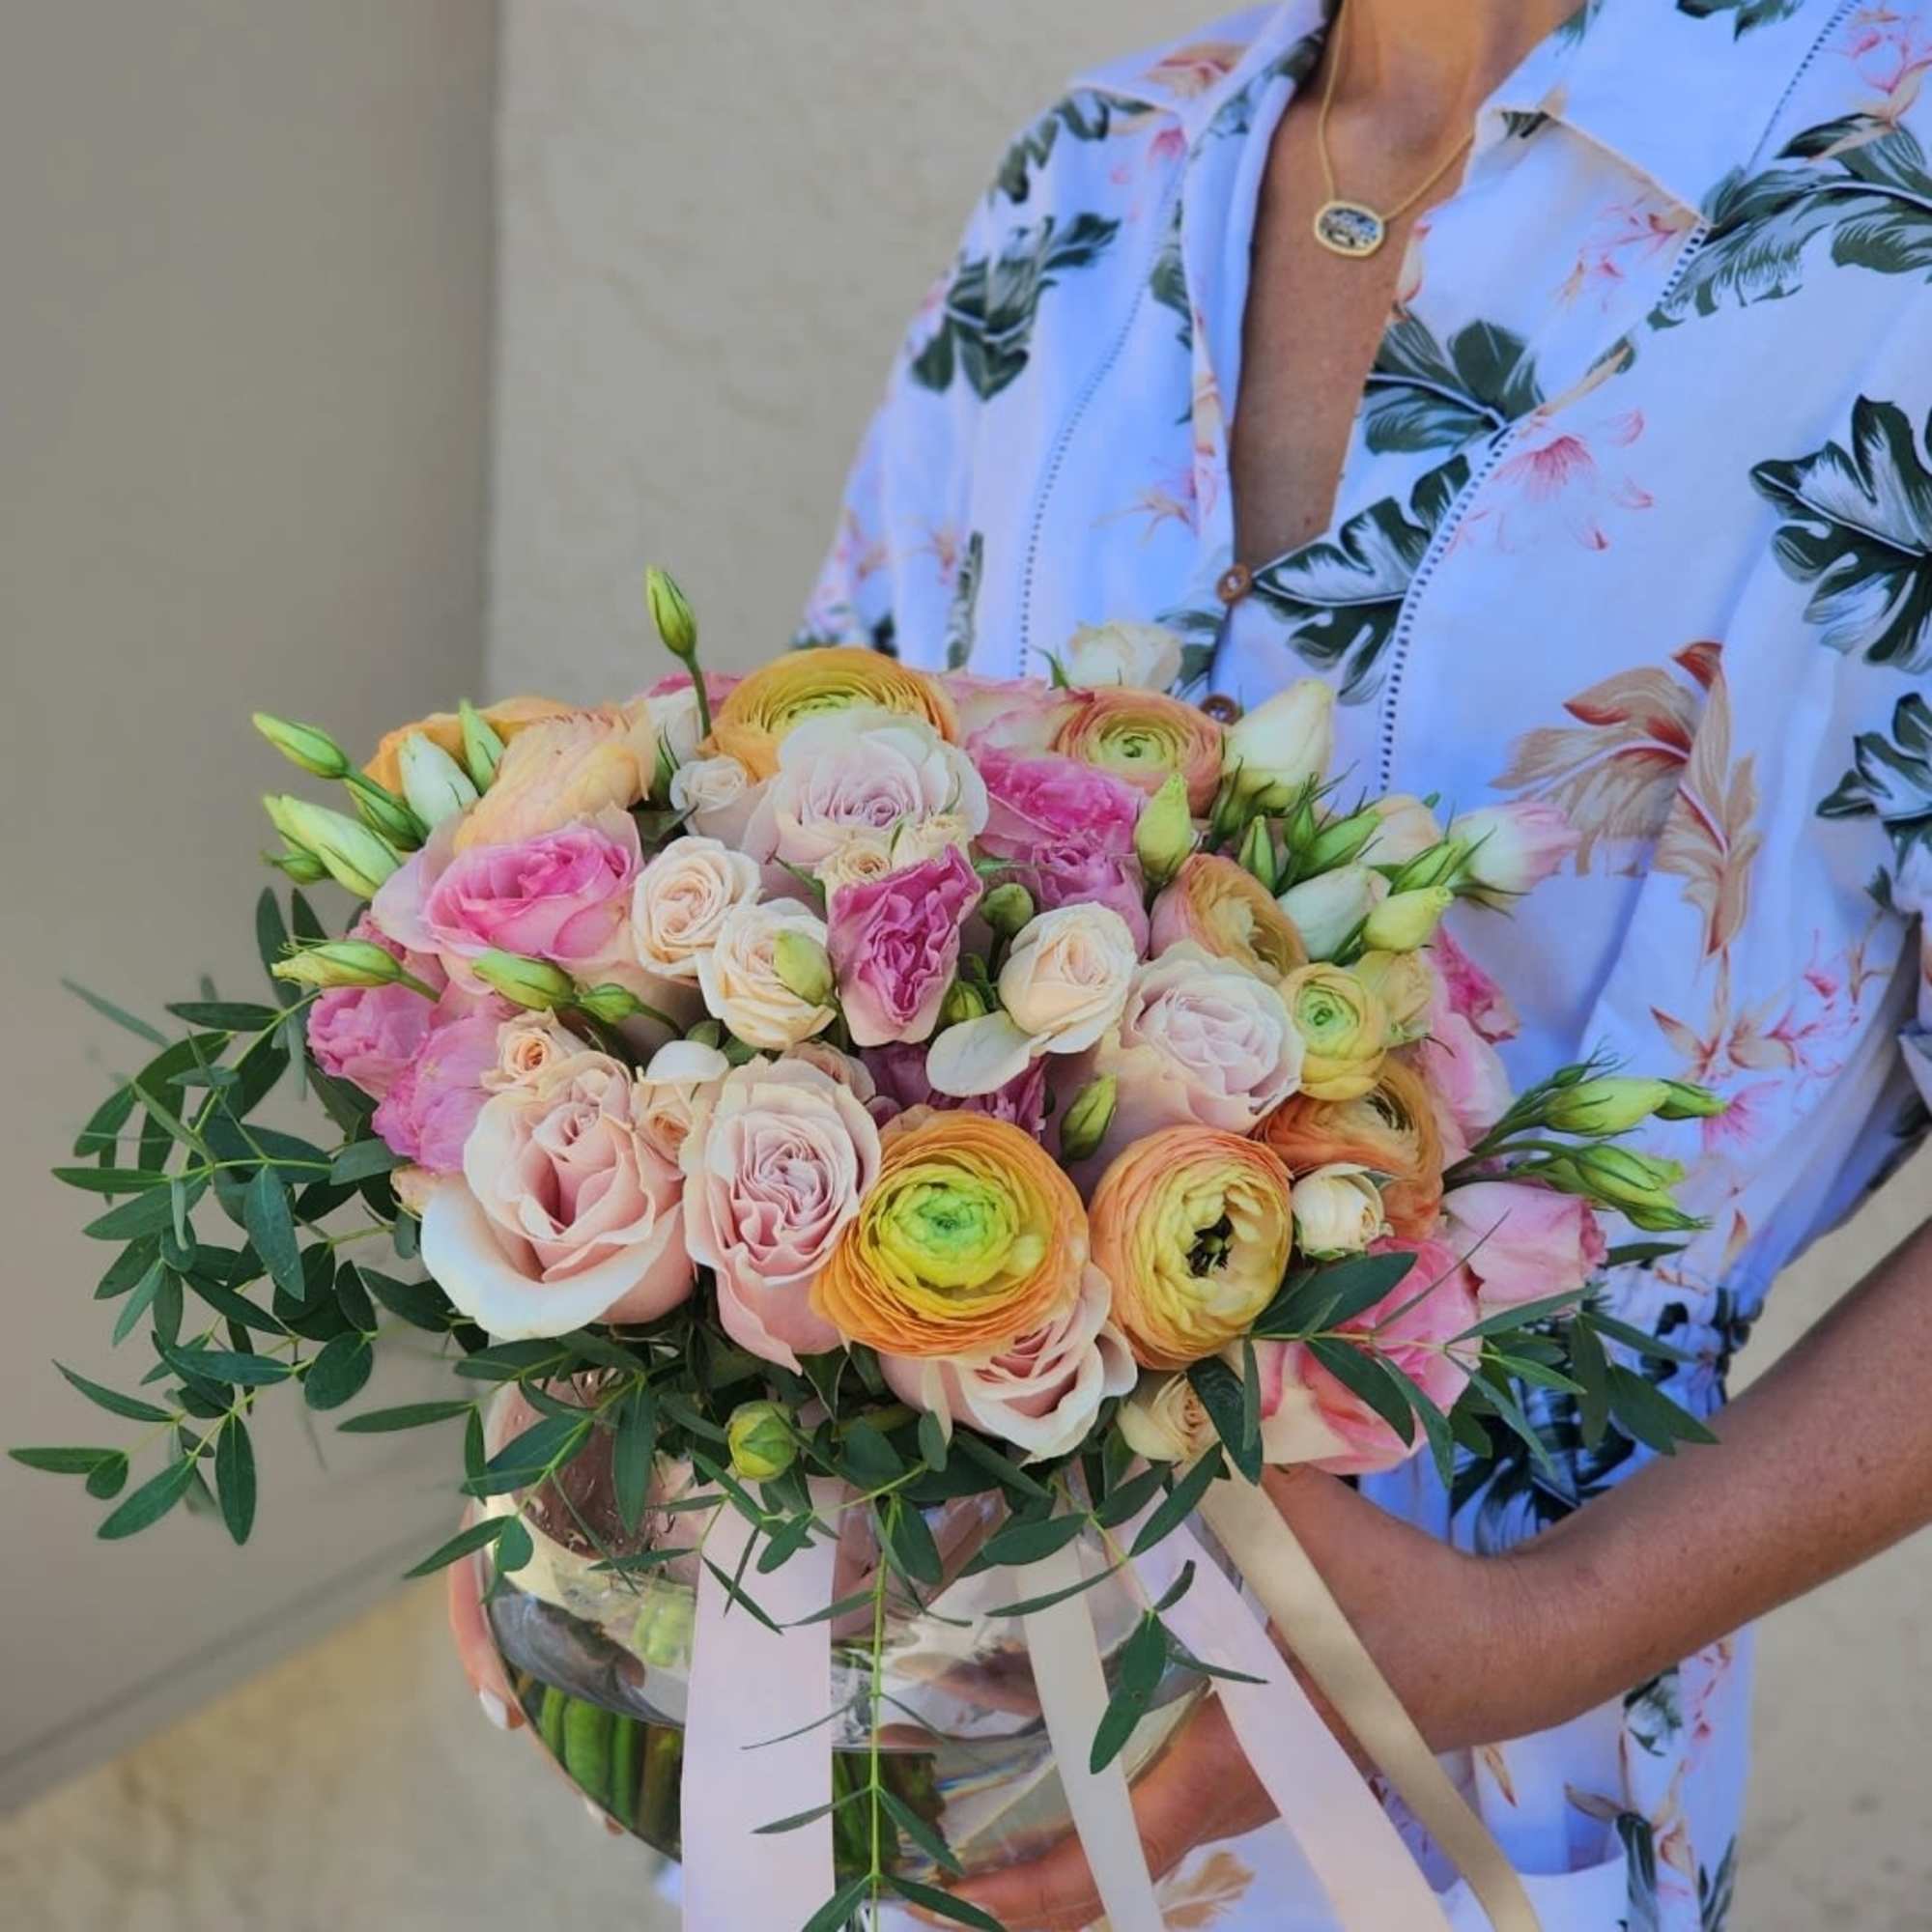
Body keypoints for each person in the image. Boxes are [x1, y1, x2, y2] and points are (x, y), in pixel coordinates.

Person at [455, 2, 1932, 1924]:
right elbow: (785, 837)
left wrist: (1536, 1630)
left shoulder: (1887, 218)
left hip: (1442, 1797)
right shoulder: (1105, 161)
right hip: (880, 1731)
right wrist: (576, 1340)